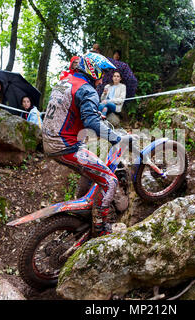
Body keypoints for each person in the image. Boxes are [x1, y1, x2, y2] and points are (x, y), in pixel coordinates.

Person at [42, 52, 135, 238]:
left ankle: (83, 208)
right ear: (93, 71)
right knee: (110, 181)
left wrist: (92, 114)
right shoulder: (87, 89)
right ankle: (100, 227)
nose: (102, 81)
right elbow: (91, 123)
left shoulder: (65, 81)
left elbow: (69, 109)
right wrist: (116, 138)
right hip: (65, 147)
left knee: (93, 169)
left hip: (49, 140)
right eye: (101, 75)